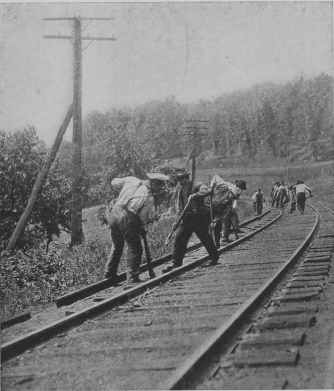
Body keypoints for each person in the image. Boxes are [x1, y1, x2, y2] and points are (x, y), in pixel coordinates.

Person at [104, 172, 169, 285]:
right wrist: (141, 229)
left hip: (114, 213)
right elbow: (141, 218)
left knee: (117, 245)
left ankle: (109, 273)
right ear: (154, 183)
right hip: (127, 217)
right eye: (160, 186)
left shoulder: (132, 180)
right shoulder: (149, 197)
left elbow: (114, 182)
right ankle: (132, 278)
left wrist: (125, 190)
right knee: (135, 248)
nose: (160, 189)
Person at [162, 171, 219, 272]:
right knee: (179, 238)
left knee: (205, 237)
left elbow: (206, 190)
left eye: (181, 179)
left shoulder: (196, 184)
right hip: (186, 219)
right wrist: (177, 221)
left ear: (186, 178)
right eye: (178, 180)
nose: (180, 182)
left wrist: (196, 195)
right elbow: (179, 209)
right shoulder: (179, 191)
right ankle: (176, 262)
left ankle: (214, 257)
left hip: (198, 218)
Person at [209, 175, 247, 246]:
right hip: (216, 203)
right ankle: (221, 238)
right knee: (220, 221)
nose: (240, 191)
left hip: (223, 205)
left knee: (225, 220)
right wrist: (211, 188)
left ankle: (223, 237)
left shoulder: (234, 189)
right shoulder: (227, 185)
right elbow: (215, 177)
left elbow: (232, 203)